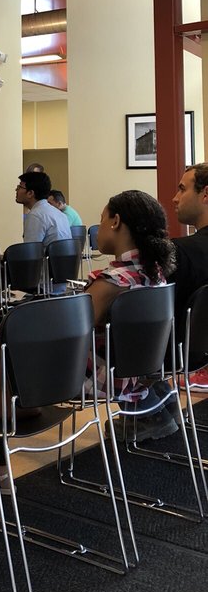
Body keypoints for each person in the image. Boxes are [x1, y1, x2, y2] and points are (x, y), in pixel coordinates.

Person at [87, 189, 177, 440]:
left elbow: (73, 332)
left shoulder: (112, 282)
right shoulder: (155, 273)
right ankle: (156, 401)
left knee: (4, 348)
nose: (99, 228)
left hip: (106, 377)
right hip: (144, 368)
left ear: (115, 221)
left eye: (102, 219)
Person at [172, 164, 208, 389]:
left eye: (182, 189)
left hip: (179, 352)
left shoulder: (181, 251)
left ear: (205, 194)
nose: (175, 198)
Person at [15, 171, 71, 247]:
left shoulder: (35, 216)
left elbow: (31, 250)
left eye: (20, 187)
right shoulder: (60, 214)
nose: (16, 189)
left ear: (30, 193)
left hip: (47, 255)